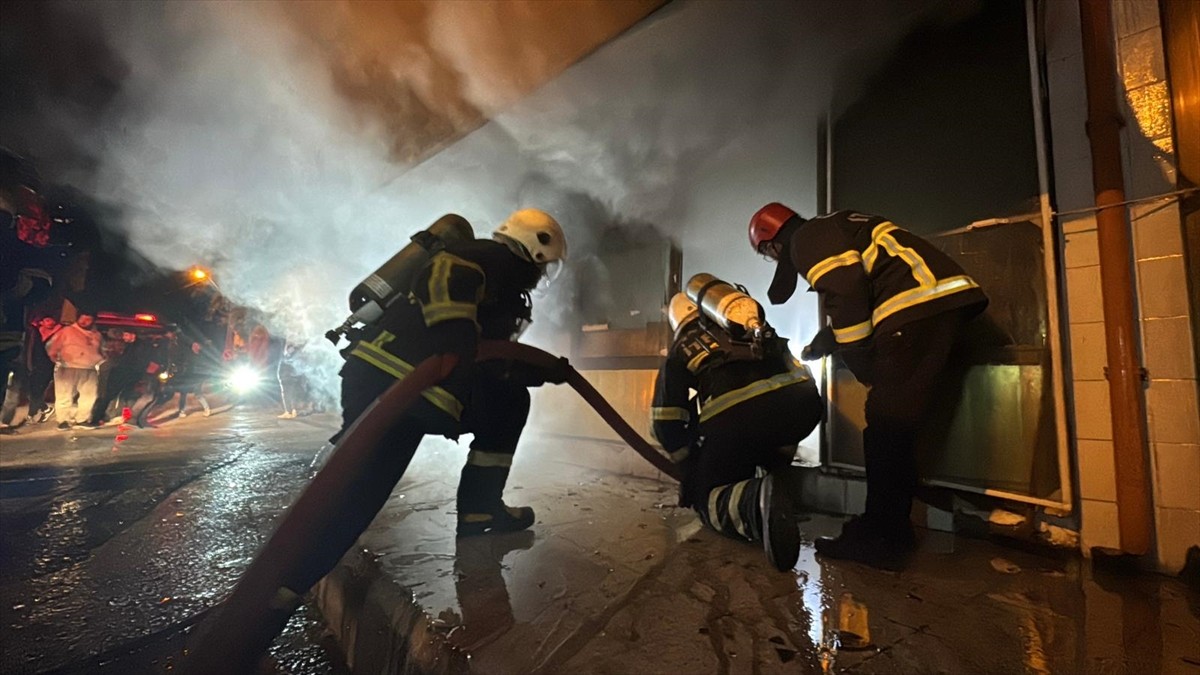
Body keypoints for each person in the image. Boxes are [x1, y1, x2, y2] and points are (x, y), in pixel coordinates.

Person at [749, 203, 987, 569]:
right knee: (898, 427)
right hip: (939, 303)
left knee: (885, 426)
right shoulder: (833, 227)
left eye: (767, 253)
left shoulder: (806, 239)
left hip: (917, 308)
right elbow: (866, 283)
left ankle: (881, 539)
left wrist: (862, 364)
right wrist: (830, 340)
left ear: (772, 243)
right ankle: (891, 526)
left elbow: (845, 289)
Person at [651, 281, 821, 571]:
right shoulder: (750, 327)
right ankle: (777, 482)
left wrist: (690, 466)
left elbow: (666, 421)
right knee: (765, 430)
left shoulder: (683, 347)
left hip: (740, 423)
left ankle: (756, 503)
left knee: (707, 497)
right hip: (804, 407)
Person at [45, 310, 104, 430]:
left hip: (89, 368)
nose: (84, 321)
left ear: (93, 321)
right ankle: (63, 420)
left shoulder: (96, 335)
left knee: (89, 395)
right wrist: (55, 357)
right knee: (64, 394)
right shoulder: (67, 331)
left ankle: (82, 419)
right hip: (68, 368)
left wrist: (102, 359)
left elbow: (102, 350)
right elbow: (52, 346)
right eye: (82, 318)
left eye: (88, 319)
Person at [0, 315, 58, 431]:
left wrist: (33, 366)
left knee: (14, 394)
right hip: (13, 364)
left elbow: (35, 350)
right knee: (13, 393)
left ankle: (4, 422)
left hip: (20, 365)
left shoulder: (31, 332)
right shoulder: (28, 331)